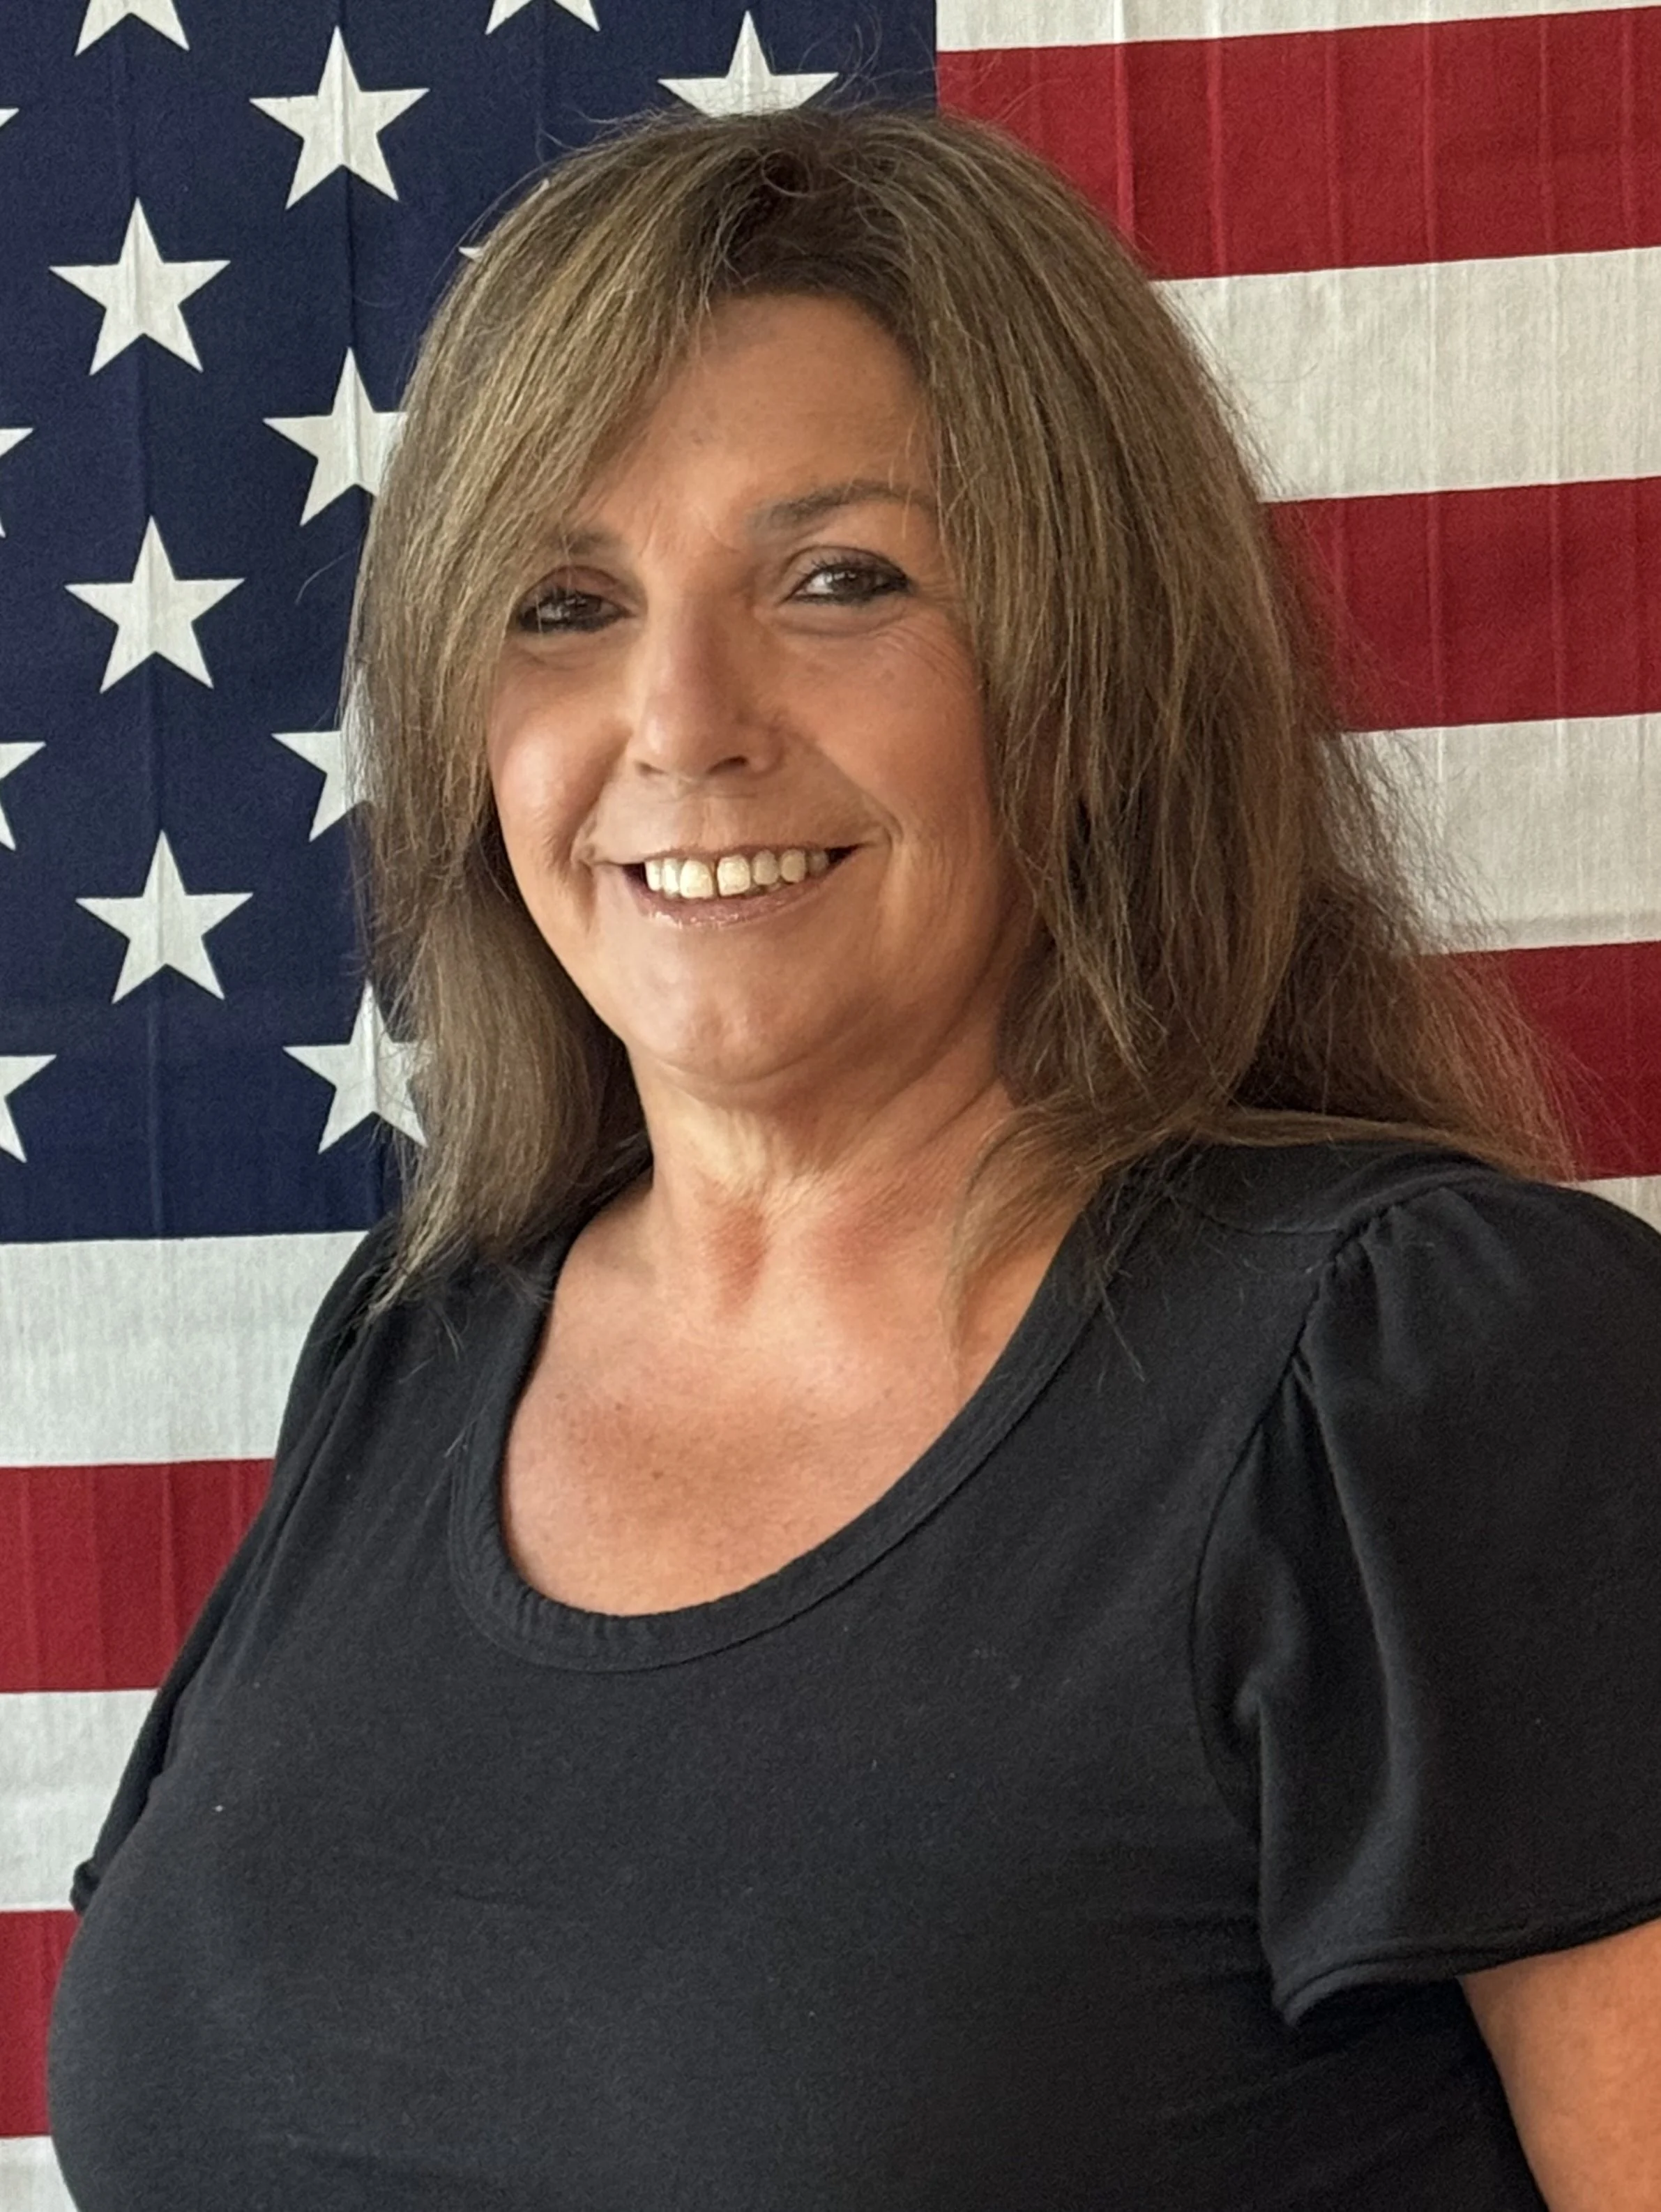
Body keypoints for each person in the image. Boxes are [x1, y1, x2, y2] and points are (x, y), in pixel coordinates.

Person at [46, 101, 1661, 2211]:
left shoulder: (1425, 1372)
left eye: (838, 580)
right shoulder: (412, 1343)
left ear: (1090, 678)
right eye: (562, 600)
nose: (680, 718)